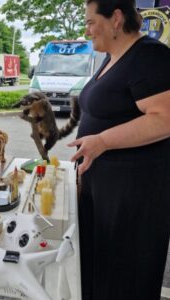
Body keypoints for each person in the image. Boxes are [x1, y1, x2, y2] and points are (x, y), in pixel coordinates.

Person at [68, 1, 170, 299]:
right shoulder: (113, 56)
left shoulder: (149, 56)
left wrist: (101, 141)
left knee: (126, 279)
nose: (86, 31)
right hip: (104, 190)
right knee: (102, 275)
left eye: (90, 22)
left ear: (115, 18)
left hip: (133, 197)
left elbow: (165, 118)